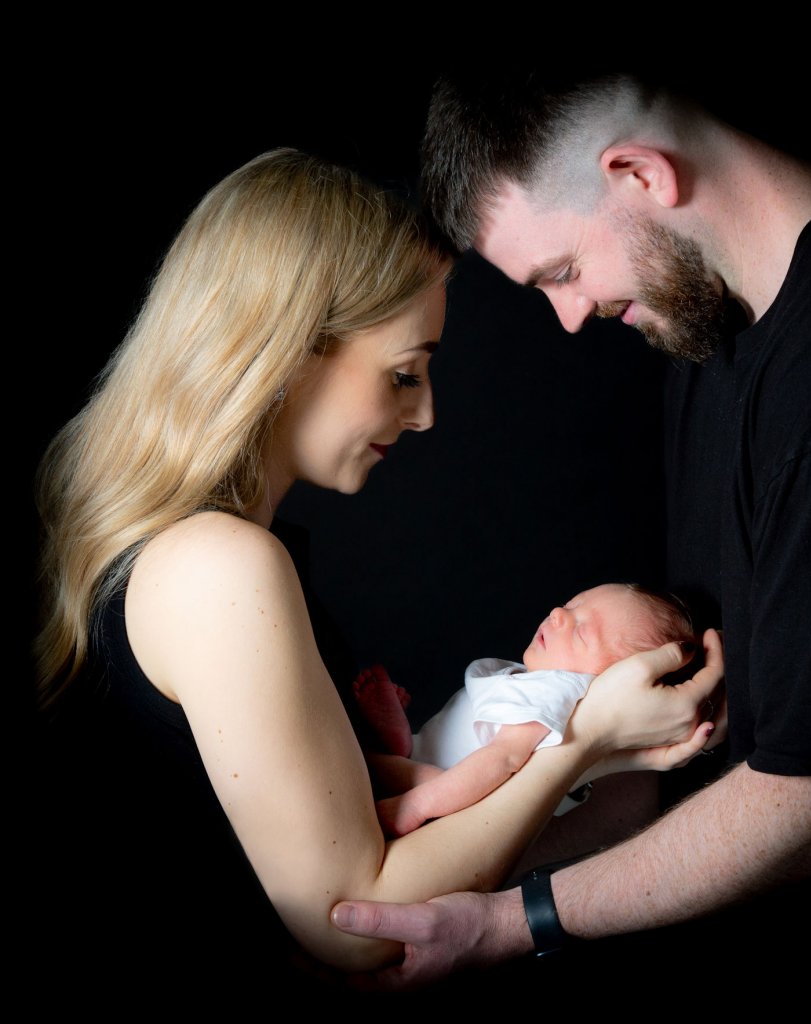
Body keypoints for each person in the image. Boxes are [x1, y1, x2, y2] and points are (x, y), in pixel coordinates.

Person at [28, 146, 726, 998]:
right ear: (289, 351)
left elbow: (402, 849)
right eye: (403, 373)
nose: (424, 412)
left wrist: (612, 766)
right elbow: (357, 924)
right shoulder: (217, 568)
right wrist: (582, 742)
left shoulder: (211, 554)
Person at [329, 71, 811, 990]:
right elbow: (658, 768)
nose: (570, 316)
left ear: (640, 174)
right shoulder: (708, 316)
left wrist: (511, 923)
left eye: (563, 272)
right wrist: (463, 876)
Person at [354, 582, 714, 836]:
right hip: (435, 765)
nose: (558, 614)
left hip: (449, 795)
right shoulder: (542, 682)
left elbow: (503, 760)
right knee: (387, 758)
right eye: (572, 604)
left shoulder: (553, 693)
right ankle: (402, 744)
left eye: (581, 632)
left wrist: (417, 806)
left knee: (366, 763)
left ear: (613, 684)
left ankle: (396, 754)